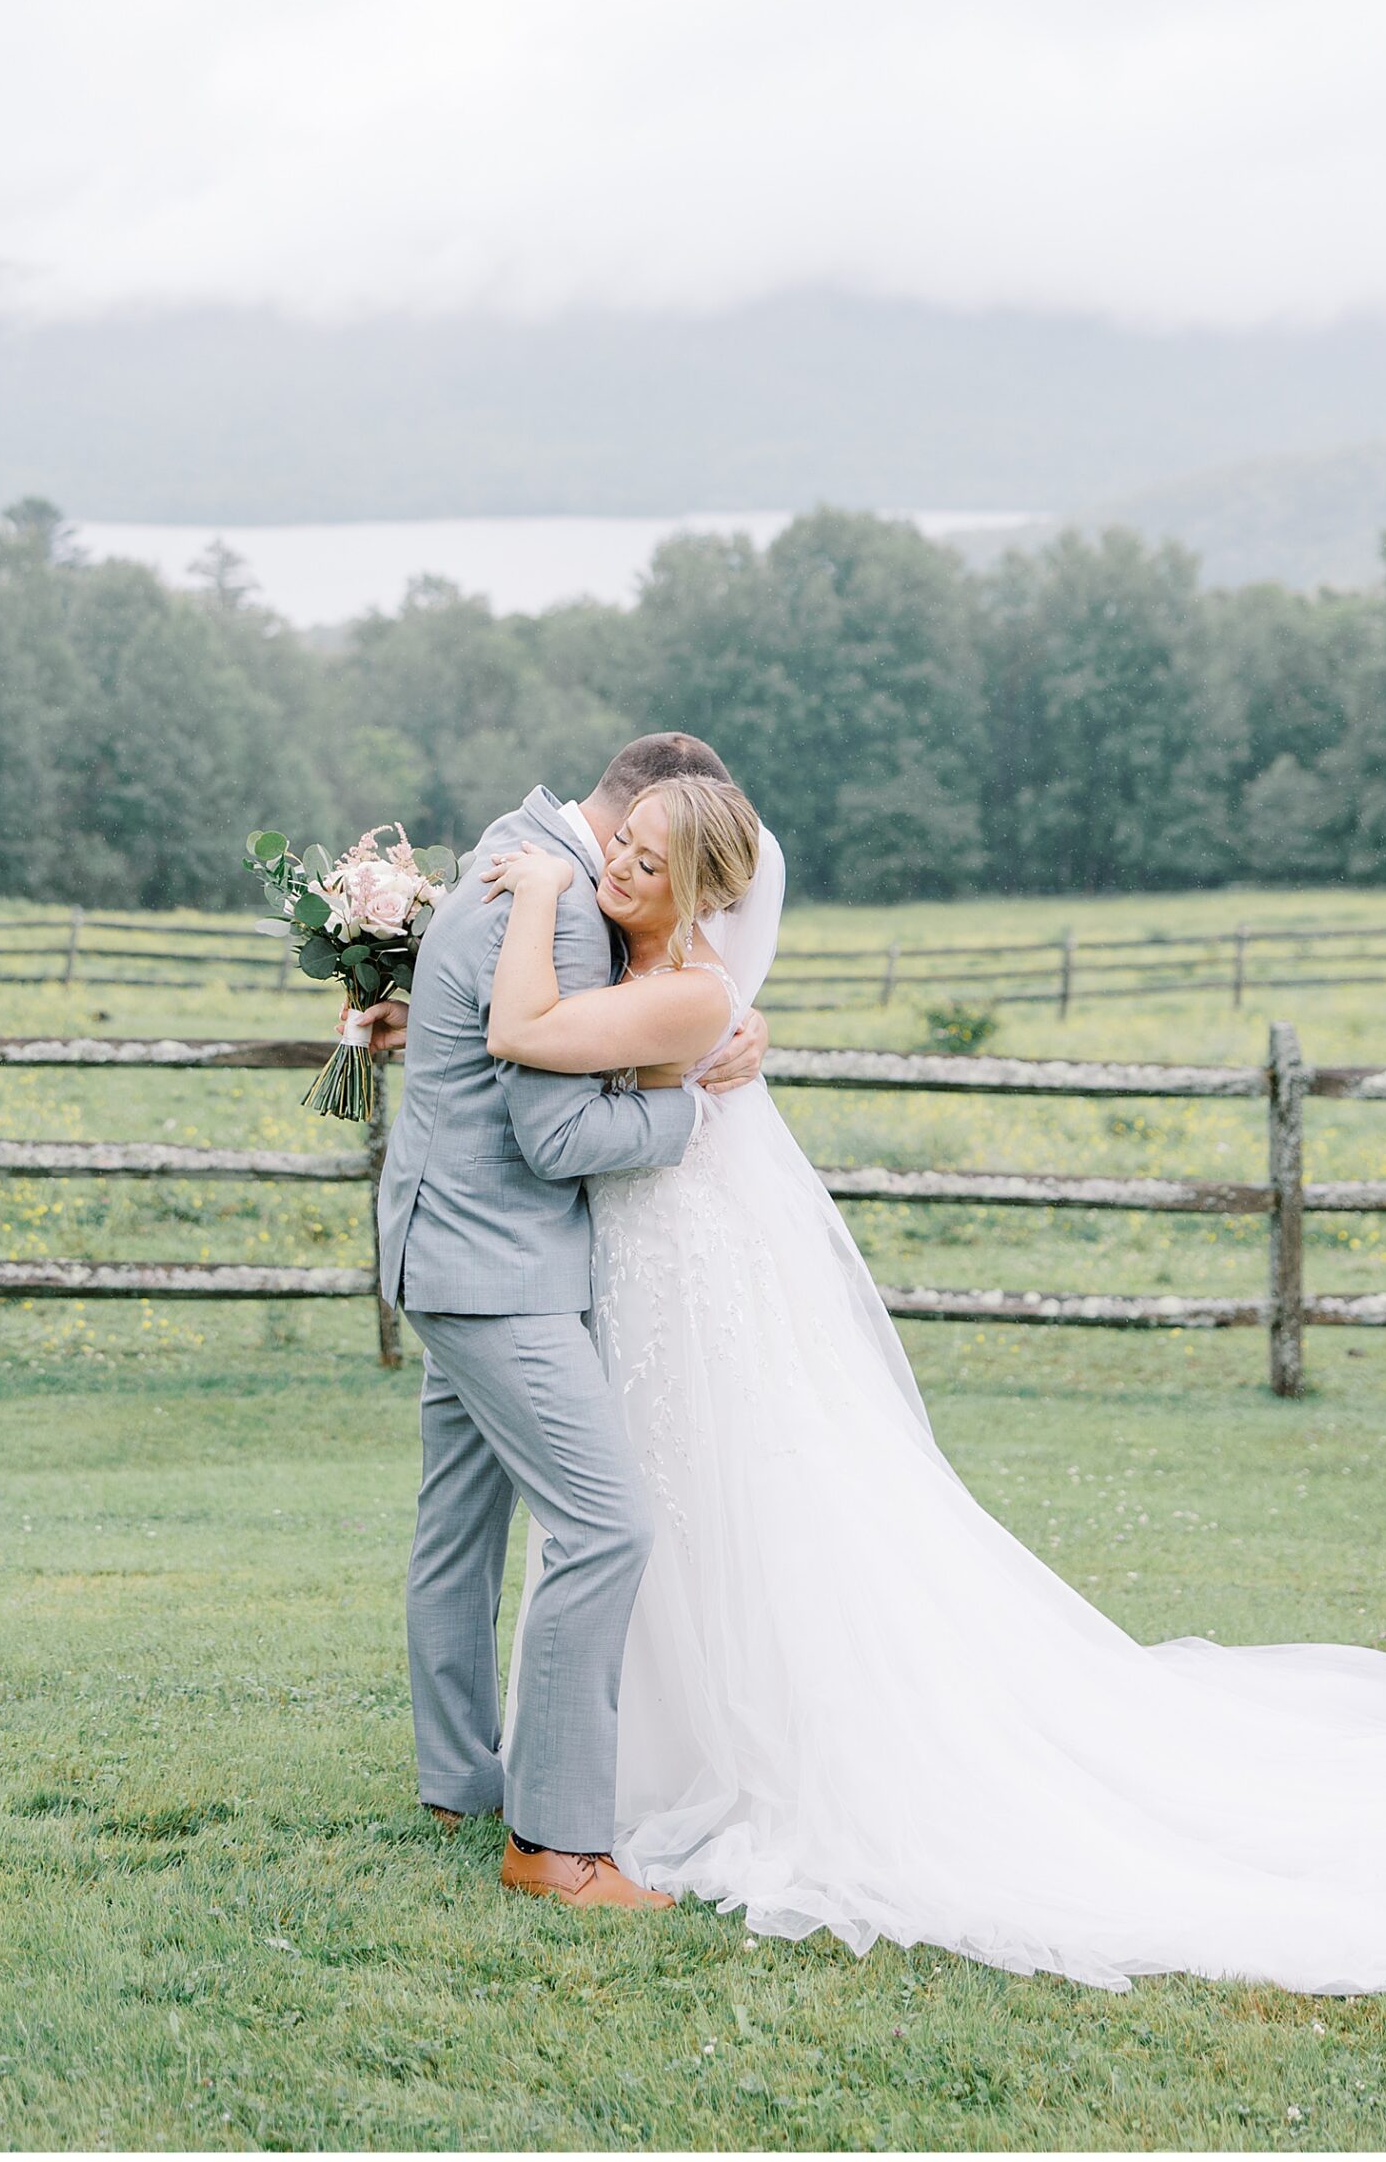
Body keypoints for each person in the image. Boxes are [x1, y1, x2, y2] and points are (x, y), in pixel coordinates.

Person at [479, 774, 1386, 1994]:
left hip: (683, 1281)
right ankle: (619, 1762)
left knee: (716, 1504)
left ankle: (713, 1760)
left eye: (649, 865)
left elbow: (523, 1033)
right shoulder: (668, 981)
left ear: (707, 891)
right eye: (619, 848)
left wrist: (543, 892)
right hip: (653, 1279)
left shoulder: (686, 993)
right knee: (660, 1507)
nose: (618, 869)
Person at [361, 736, 769, 1911]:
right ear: (638, 815)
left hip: (451, 1243)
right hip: (500, 1267)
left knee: (459, 1525)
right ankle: (553, 1842)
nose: (632, 870)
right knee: (606, 1527)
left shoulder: (517, 849)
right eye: (639, 847)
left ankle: (460, 1780)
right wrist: (688, 1112)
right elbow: (552, 1137)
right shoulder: (562, 910)